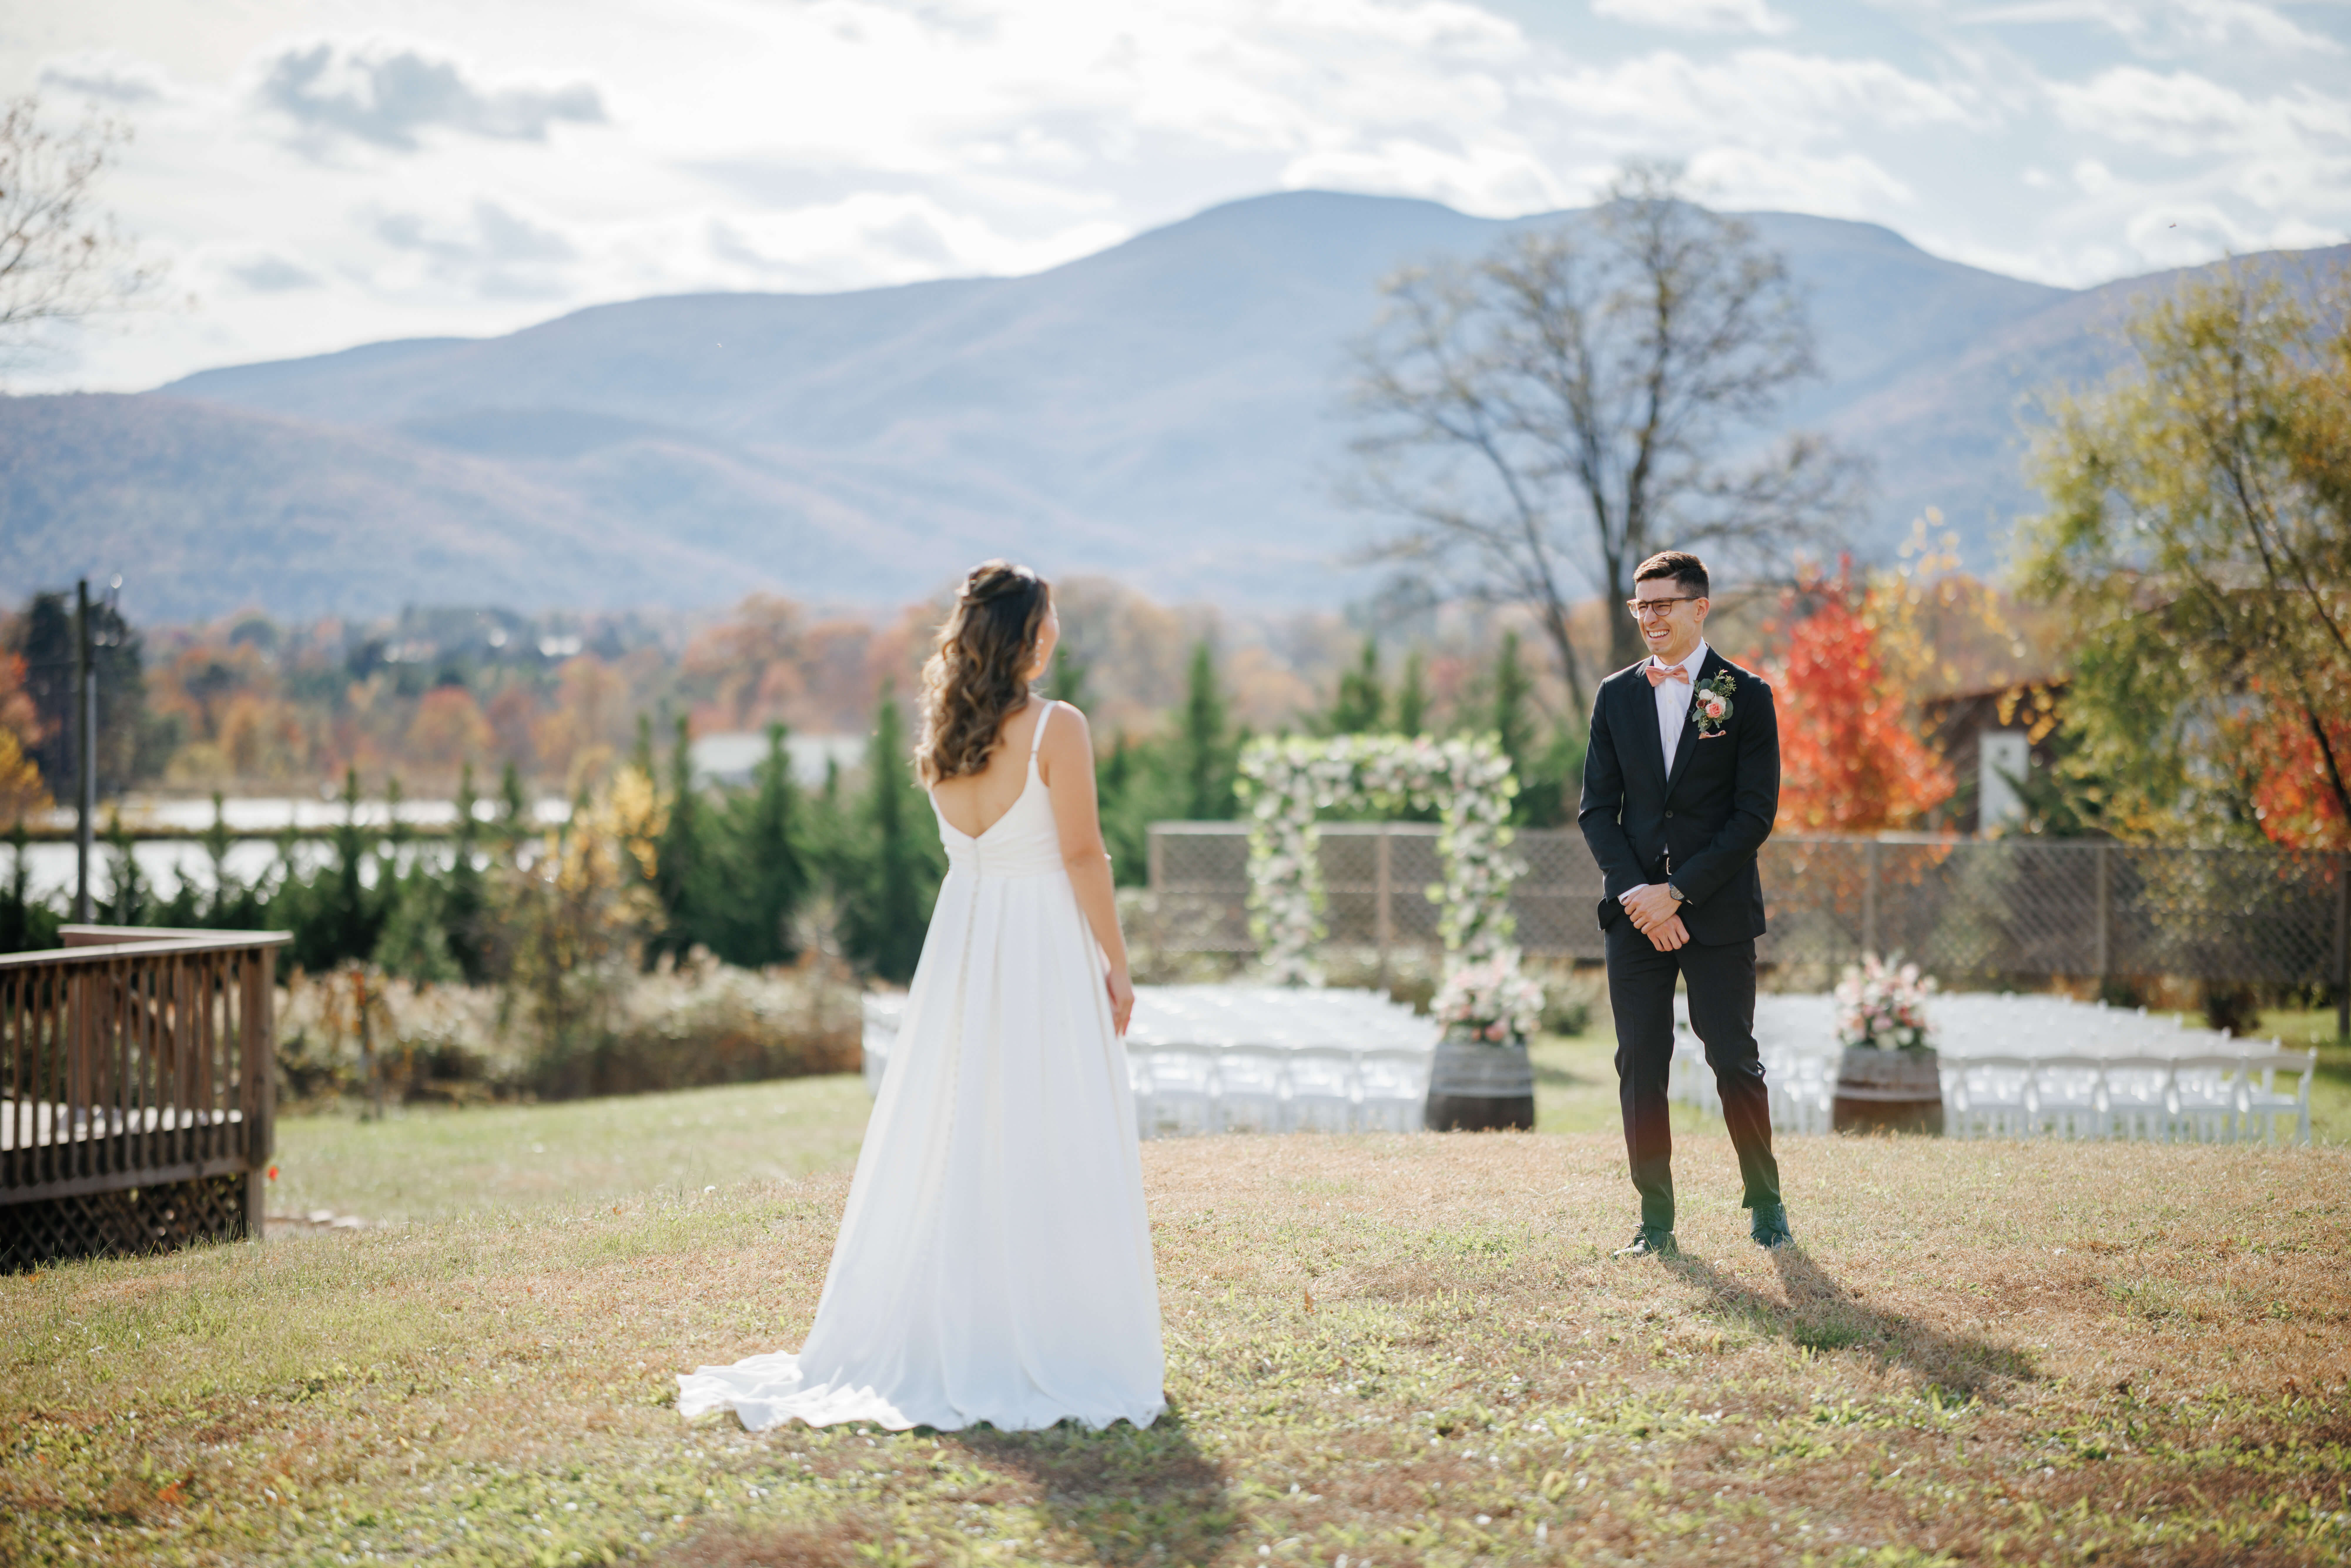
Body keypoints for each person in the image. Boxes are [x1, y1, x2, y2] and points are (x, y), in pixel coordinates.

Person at [677, 560, 1164, 1431]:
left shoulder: (945, 729)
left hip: (965, 947)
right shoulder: (1059, 728)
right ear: (1033, 634)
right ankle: (1047, 1325)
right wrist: (1117, 963)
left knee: (959, 1123)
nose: (1057, 634)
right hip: (1043, 946)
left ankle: (966, 1317)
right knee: (1046, 1120)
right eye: (1050, 620)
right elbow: (1085, 855)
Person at [1576, 549, 1790, 1258]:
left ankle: (1766, 1206)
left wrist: (1680, 892)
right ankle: (1655, 1222)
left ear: (1700, 607)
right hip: (1635, 912)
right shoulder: (1616, 695)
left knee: (1733, 1058)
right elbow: (1596, 811)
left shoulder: (1745, 694)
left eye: (1662, 603)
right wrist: (1642, 895)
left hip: (1715, 908)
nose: (1649, 617)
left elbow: (1753, 816)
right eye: (1640, 605)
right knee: (1641, 1060)